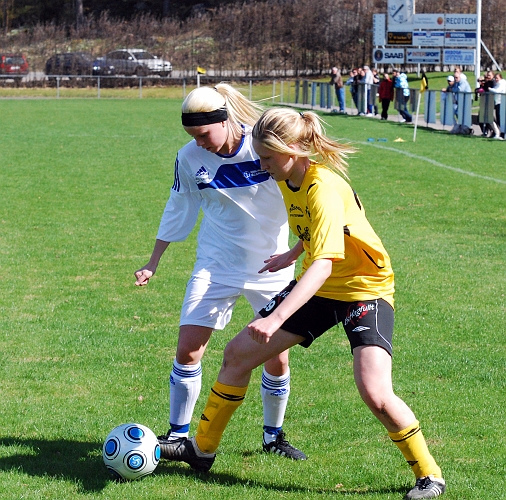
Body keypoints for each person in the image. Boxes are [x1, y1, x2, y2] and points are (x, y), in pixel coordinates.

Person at [161, 107, 446, 500]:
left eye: (268, 158)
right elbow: (319, 231)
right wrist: (295, 252)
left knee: (375, 392)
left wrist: (276, 317)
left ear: (294, 150)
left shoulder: (322, 186)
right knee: (238, 355)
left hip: (365, 290)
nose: (262, 166)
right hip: (323, 285)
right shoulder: (287, 177)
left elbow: (327, 262)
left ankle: (429, 475)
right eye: (259, 157)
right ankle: (202, 450)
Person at [134, 84, 306, 461]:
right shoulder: (188, 157)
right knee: (188, 349)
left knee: (275, 357)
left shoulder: (264, 144)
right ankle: (177, 435)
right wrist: (153, 262)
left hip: (271, 267)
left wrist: (298, 249)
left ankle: (273, 436)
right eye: (191, 136)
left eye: (203, 134)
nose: (198, 142)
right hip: (216, 266)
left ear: (225, 120)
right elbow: (178, 207)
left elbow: (306, 191)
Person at [488, 72, 506, 139]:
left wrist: (490, 89)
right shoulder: (497, 84)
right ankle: (500, 133)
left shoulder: (502, 83)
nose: (496, 79)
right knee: (498, 118)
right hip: (498, 102)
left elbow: (498, 91)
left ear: (500, 77)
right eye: (495, 78)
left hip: (501, 102)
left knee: (501, 118)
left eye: (497, 78)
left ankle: (502, 134)